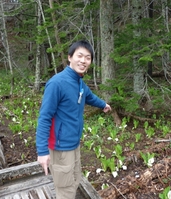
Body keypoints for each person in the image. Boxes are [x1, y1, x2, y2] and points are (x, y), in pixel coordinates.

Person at [36, 40, 111, 199]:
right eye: (80, 56)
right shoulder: (57, 83)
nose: (83, 61)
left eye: (88, 57)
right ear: (70, 57)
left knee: (75, 180)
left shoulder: (79, 82)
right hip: (60, 147)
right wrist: (42, 151)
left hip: (73, 144)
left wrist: (103, 104)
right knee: (65, 190)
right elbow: (44, 117)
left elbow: (89, 97)